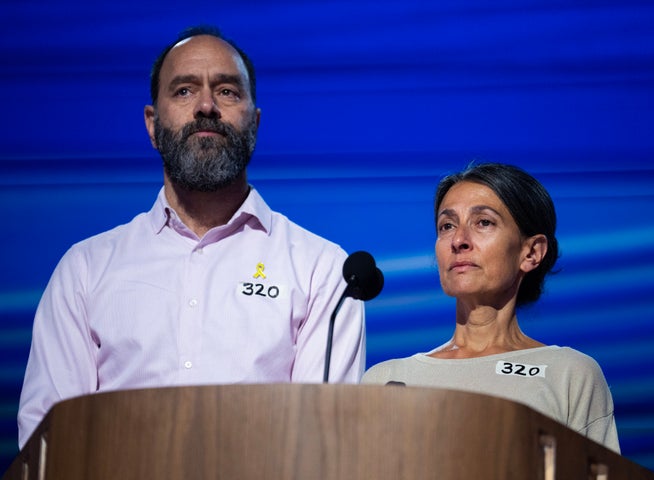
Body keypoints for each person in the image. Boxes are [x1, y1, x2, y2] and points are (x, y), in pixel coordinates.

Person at [17, 25, 365, 448]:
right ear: (151, 123)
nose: (205, 106)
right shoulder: (84, 270)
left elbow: (321, 445)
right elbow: (48, 441)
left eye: (227, 92)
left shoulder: (321, 270)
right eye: (183, 91)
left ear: (254, 122)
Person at [361, 162, 620, 453]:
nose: (458, 240)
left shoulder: (569, 374)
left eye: (484, 222)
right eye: (447, 226)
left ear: (531, 252)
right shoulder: (385, 379)